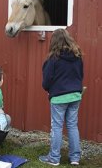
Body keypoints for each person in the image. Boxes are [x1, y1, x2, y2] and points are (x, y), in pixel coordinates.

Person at [39, 29, 83, 166]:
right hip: (75, 95)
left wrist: (48, 90)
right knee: (72, 125)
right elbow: (80, 75)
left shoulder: (53, 59)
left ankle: (54, 158)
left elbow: (46, 80)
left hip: (59, 97)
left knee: (57, 127)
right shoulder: (77, 56)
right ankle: (75, 158)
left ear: (54, 41)